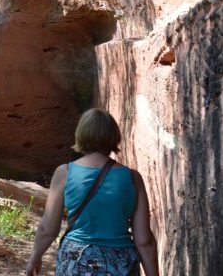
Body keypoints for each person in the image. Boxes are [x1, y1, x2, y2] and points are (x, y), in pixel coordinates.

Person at [26, 108, 159, 276]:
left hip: (77, 260)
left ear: (81, 134)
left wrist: (35, 258)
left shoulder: (65, 173)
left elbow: (48, 229)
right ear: (113, 136)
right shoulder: (132, 178)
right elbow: (144, 240)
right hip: (121, 263)